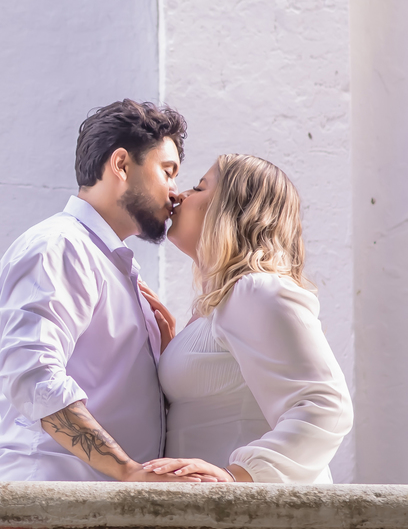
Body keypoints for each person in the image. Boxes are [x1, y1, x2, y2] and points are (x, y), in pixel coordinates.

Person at [0, 99, 197, 482]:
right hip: (47, 504)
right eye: (167, 171)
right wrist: (128, 472)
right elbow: (32, 377)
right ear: (120, 164)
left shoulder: (114, 264)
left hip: (91, 506)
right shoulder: (60, 246)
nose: (175, 192)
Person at [142, 154, 353, 483]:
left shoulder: (257, 289)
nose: (178, 195)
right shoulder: (224, 302)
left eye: (198, 187)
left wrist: (238, 477)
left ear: (230, 209)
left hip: (248, 512)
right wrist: (169, 348)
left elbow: (326, 406)